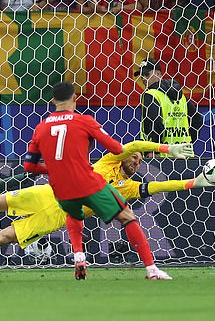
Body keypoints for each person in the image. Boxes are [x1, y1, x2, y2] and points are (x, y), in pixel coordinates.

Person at [0, 139, 203, 274]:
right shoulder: (107, 162)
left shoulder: (125, 190)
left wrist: (195, 181)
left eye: (141, 161)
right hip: (48, 193)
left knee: (5, 237)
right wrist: (166, 149)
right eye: (136, 159)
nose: (136, 161)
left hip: (56, 215)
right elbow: (131, 145)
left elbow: (159, 186)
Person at [23, 81, 172, 280]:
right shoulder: (84, 121)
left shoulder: (40, 128)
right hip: (87, 181)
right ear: (75, 98)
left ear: (53, 101)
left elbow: (29, 167)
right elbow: (118, 149)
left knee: (74, 216)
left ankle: (79, 256)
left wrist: (53, 168)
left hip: (61, 188)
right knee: (127, 215)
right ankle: (152, 269)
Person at [134, 59, 202, 152]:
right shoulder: (181, 96)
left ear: (158, 73)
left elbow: (156, 124)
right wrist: (188, 141)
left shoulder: (151, 94)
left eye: (146, 75)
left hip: (162, 155)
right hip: (184, 153)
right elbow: (197, 119)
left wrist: (154, 150)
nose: (143, 79)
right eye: (141, 76)